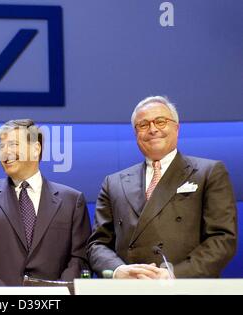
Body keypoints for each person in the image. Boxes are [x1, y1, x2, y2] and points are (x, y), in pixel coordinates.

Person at [87, 96, 237, 279]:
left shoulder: (209, 173)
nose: (152, 129)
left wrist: (174, 275)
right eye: (143, 125)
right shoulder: (113, 183)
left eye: (160, 121)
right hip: (130, 289)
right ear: (136, 134)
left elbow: (222, 238)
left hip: (187, 288)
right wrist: (118, 271)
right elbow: (97, 245)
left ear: (177, 127)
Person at [0, 119, 91, 285]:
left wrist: (56, 293)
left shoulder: (72, 201)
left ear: (36, 149)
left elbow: (79, 258)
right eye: (1, 146)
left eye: (12, 144)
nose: (5, 153)